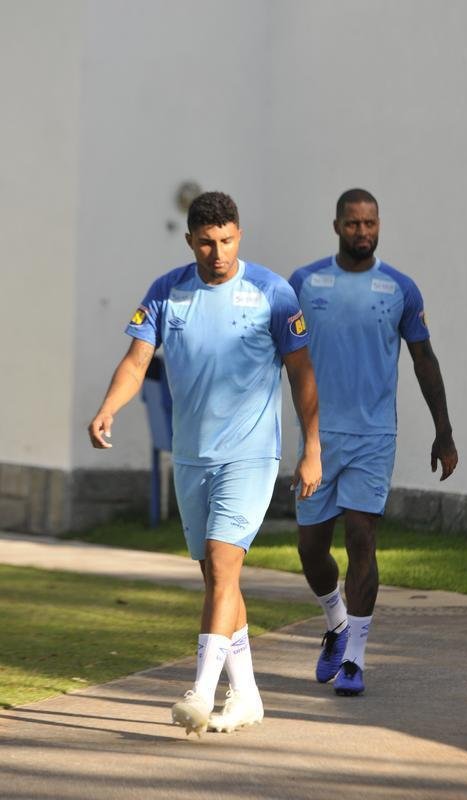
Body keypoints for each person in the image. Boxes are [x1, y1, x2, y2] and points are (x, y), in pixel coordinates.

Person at [88, 191, 321, 735]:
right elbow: (137, 358)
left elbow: (303, 373)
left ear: (240, 235)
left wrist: (313, 447)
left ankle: (201, 690)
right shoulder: (167, 292)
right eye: (207, 242)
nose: (218, 252)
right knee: (220, 580)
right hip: (192, 458)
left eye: (228, 240)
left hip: (250, 454)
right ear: (190, 240)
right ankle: (248, 697)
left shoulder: (272, 292)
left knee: (221, 565)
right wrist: (108, 408)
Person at [289, 188, 458, 697]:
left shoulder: (399, 289)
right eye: (353, 224)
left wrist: (444, 431)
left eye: (370, 223)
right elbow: (278, 351)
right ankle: (336, 622)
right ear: (336, 225)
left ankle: (356, 661)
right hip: (320, 439)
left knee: (361, 537)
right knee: (311, 549)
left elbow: (424, 360)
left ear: (379, 225)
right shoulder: (305, 283)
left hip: (374, 436)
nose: (363, 232)